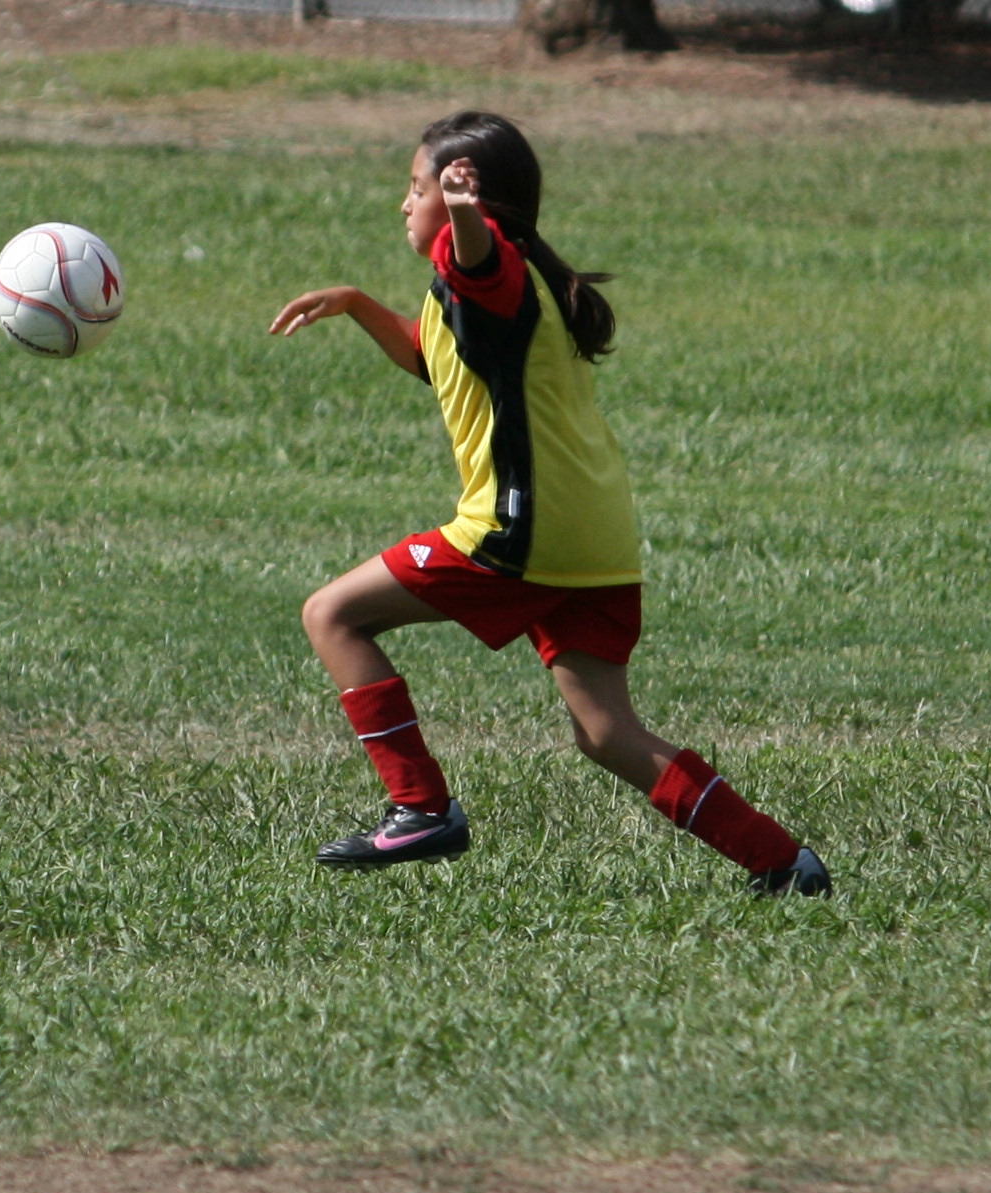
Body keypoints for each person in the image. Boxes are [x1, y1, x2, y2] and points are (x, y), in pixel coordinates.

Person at [268, 109, 831, 895]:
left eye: (416, 187)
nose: (405, 202)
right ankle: (782, 862)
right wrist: (359, 304)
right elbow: (437, 357)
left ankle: (420, 807)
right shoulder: (514, 288)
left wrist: (463, 218)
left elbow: (476, 264)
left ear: (471, 203)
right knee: (605, 732)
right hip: (595, 538)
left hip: (520, 531)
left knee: (332, 615)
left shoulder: (489, 269)